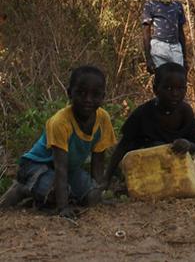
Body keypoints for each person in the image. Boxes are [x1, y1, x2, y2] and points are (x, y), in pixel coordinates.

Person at [0, 65, 116, 219]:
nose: (88, 100)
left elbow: (98, 161)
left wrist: (98, 191)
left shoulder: (103, 119)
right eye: (81, 93)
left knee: (92, 198)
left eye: (95, 95)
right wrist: (63, 207)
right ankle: (23, 189)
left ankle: (41, 194)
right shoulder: (60, 122)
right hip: (36, 165)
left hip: (69, 169)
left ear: (103, 96)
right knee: (58, 195)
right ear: (69, 93)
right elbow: (60, 167)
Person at [104, 62, 195, 188]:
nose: (175, 94)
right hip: (144, 166)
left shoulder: (186, 113)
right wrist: (106, 179)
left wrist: (186, 145)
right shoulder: (142, 113)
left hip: (174, 169)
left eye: (180, 89)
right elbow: (123, 146)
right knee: (157, 146)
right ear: (155, 89)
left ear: (186, 90)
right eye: (168, 88)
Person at [142, 0, 187, 73]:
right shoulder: (150, 5)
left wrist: (184, 57)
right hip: (158, 47)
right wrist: (148, 59)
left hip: (176, 47)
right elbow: (146, 32)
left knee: (178, 78)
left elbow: (180, 32)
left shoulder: (177, 5)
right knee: (162, 78)